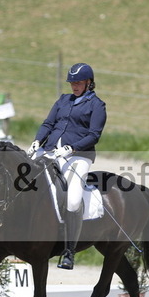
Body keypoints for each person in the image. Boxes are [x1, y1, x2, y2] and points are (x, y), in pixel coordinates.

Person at [27, 62, 107, 270]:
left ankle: (69, 251)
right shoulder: (63, 100)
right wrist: (37, 141)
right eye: (72, 83)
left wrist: (72, 148)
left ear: (89, 83)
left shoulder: (97, 105)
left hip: (78, 156)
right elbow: (48, 124)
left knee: (72, 200)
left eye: (78, 83)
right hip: (50, 151)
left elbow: (94, 135)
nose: (74, 86)